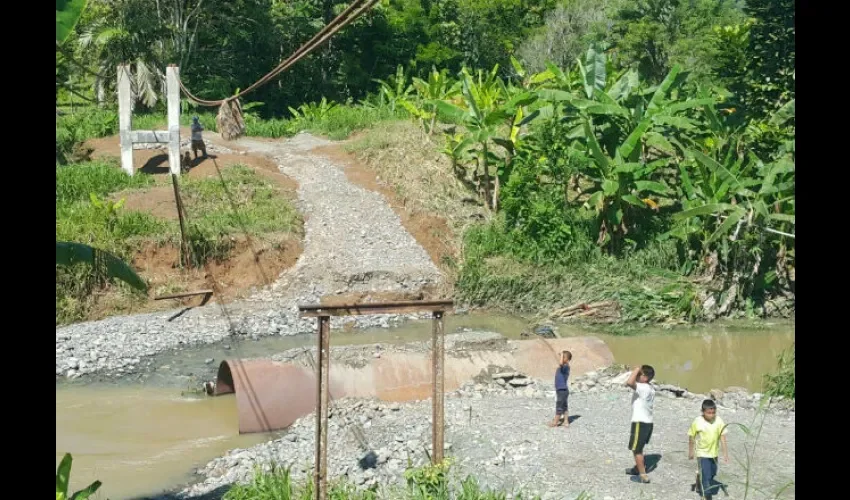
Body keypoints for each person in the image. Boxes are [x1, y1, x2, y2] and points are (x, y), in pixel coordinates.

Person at [689, 399, 729, 499]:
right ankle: (706, 495)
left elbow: (723, 437)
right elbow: (691, 436)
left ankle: (699, 477)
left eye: (713, 412)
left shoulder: (719, 420)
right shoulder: (697, 421)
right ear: (703, 412)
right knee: (706, 477)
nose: (711, 415)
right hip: (702, 453)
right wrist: (691, 451)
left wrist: (725, 453)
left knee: (712, 473)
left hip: (714, 453)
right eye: (709, 413)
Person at [625, 364, 656, 484]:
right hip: (648, 422)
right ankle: (637, 468)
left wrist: (636, 368)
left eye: (640, 375)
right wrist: (637, 373)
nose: (637, 376)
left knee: (636, 449)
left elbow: (629, 382)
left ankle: (643, 475)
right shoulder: (650, 388)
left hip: (640, 422)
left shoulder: (643, 387)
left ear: (645, 377)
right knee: (640, 447)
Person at [549, 350, 572, 428]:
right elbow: (561, 363)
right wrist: (562, 356)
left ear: (567, 360)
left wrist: (562, 355)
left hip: (562, 390)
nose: (561, 358)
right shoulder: (563, 367)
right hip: (563, 390)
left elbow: (561, 363)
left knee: (559, 406)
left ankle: (555, 422)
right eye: (561, 357)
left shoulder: (565, 366)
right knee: (564, 406)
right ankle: (566, 421)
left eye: (563, 357)